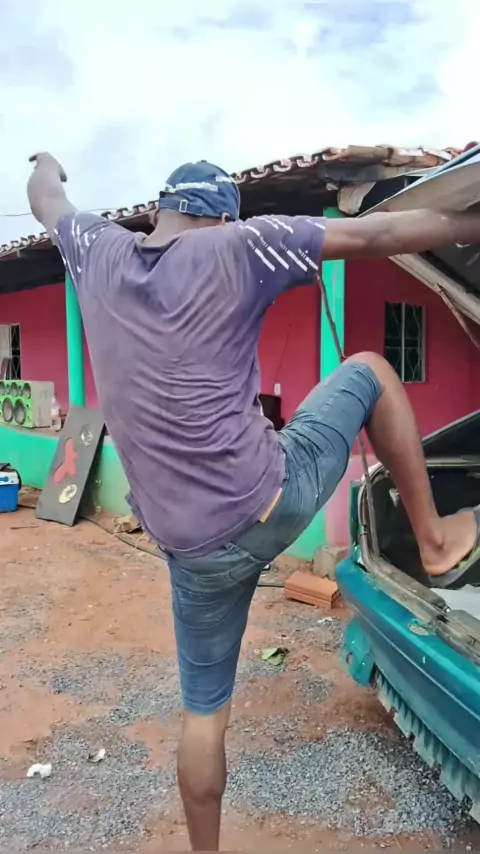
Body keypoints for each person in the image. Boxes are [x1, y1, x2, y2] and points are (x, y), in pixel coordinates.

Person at [27, 152, 480, 851]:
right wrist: (467, 222)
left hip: (188, 549)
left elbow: (46, 200)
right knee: (369, 369)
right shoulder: (240, 244)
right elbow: (379, 235)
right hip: (266, 503)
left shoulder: (96, 248)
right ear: (221, 217)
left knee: (203, 716)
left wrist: (49, 165)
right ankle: (436, 542)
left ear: (161, 212)